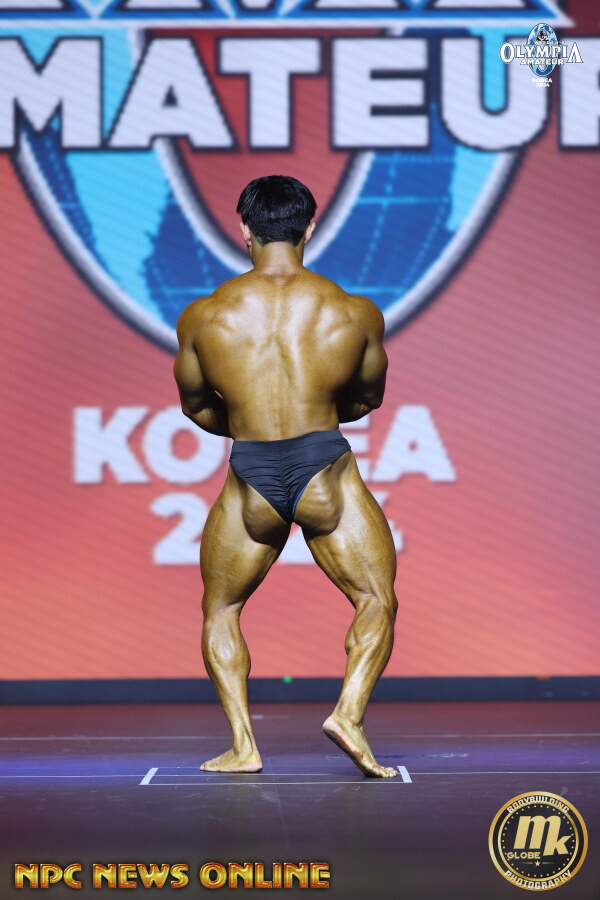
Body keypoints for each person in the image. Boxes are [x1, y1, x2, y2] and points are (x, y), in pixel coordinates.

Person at [173, 175, 398, 778]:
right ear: (310, 228)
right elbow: (367, 398)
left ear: (244, 229)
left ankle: (244, 746)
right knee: (375, 598)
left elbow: (194, 406)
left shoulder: (203, 315)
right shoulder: (353, 311)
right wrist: (312, 418)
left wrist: (252, 425)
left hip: (250, 471)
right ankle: (348, 714)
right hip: (324, 466)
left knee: (221, 609)